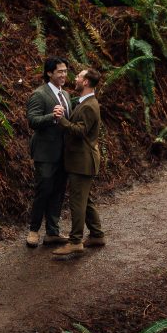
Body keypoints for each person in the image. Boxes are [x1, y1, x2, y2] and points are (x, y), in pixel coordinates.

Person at [52, 68, 105, 257]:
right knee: (85, 199)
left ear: (85, 82)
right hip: (80, 161)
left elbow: (79, 131)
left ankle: (75, 241)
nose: (75, 78)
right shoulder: (85, 102)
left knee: (77, 201)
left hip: (82, 162)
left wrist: (61, 119)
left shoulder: (90, 105)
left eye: (79, 76)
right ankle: (97, 235)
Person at [24, 57, 72, 247]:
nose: (64, 75)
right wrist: (52, 116)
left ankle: (52, 232)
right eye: (60, 71)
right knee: (43, 191)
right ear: (49, 73)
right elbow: (32, 121)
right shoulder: (39, 94)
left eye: (66, 71)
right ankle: (34, 231)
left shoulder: (66, 95)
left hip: (64, 153)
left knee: (59, 191)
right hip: (45, 153)